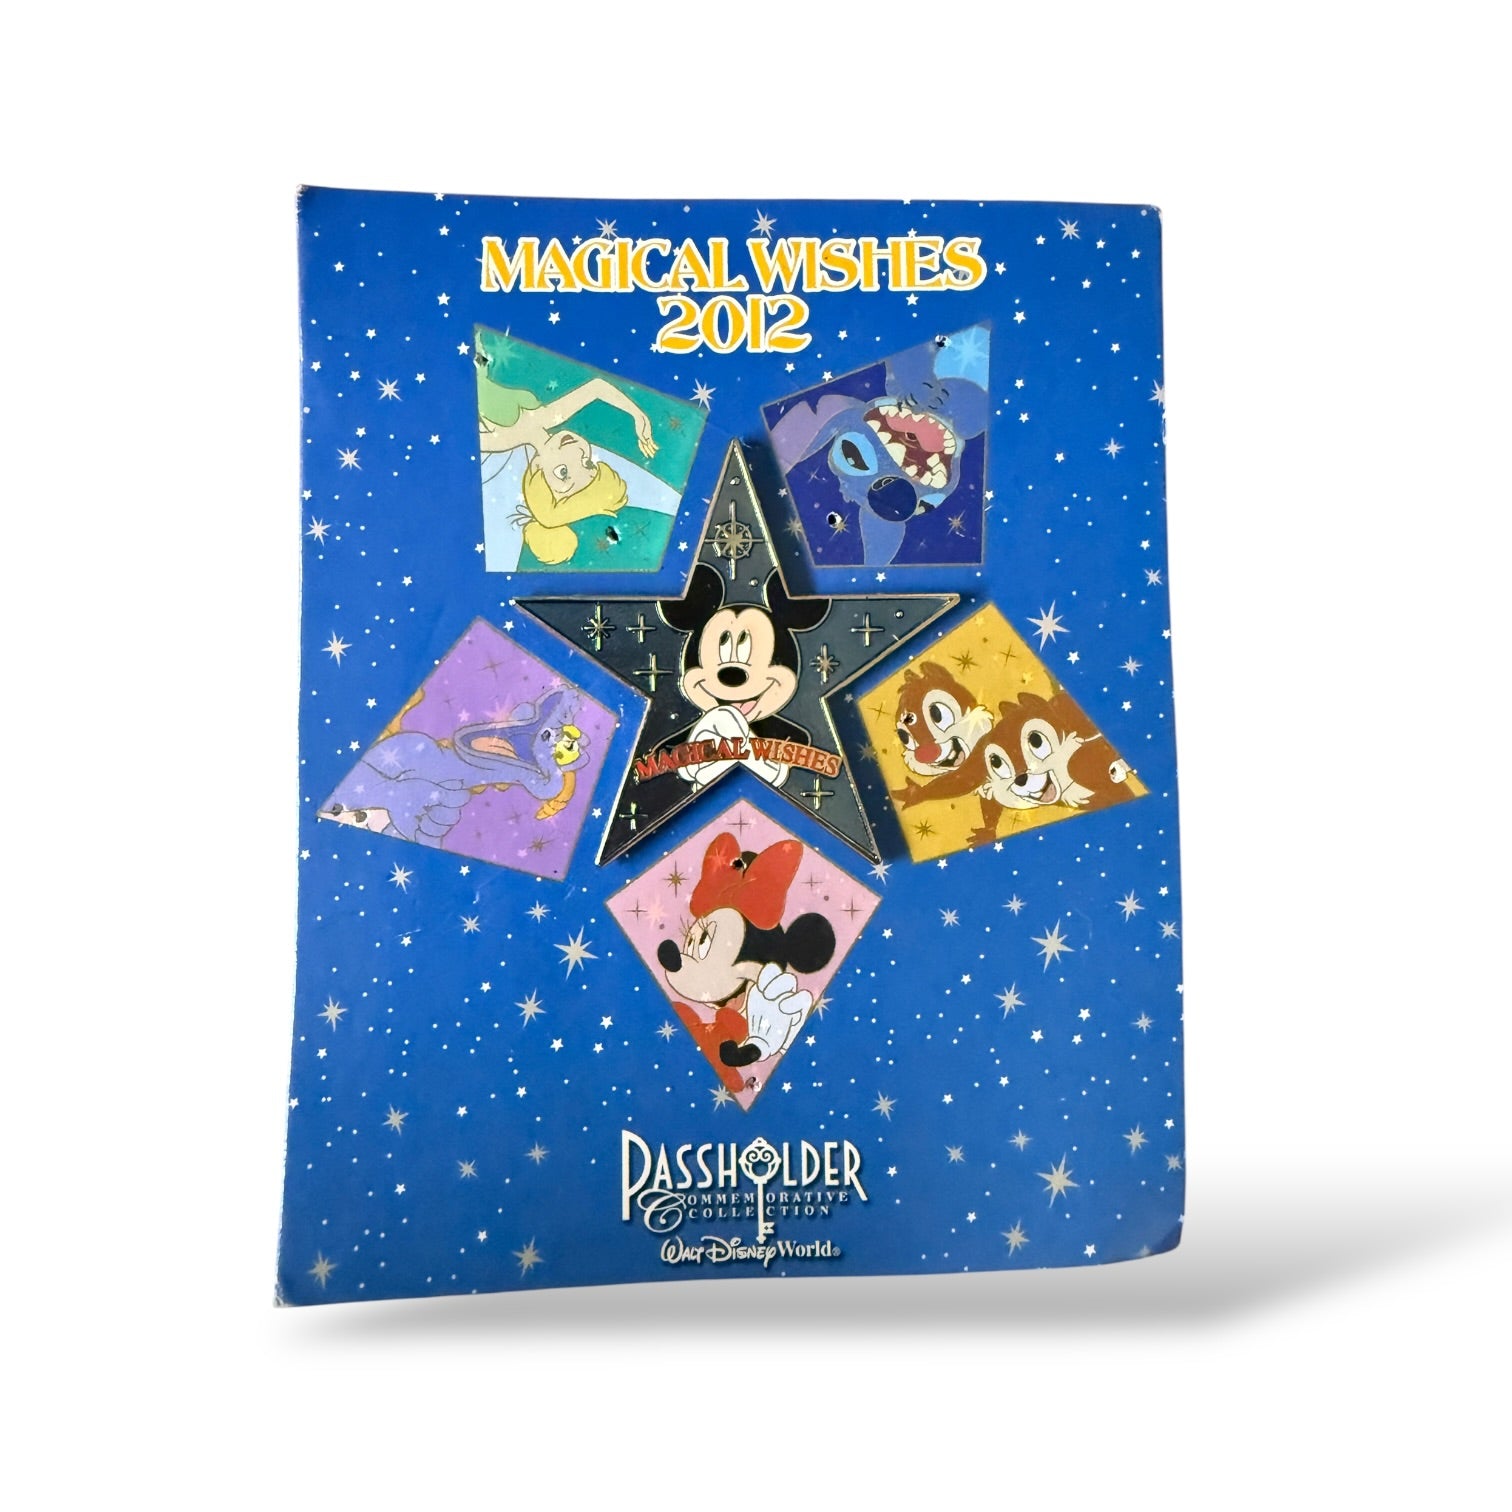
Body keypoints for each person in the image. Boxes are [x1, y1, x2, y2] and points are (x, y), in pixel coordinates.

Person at [476, 346, 658, 565]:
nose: (574, 453)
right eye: (587, 463)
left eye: (564, 473)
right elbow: (596, 388)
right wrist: (637, 414)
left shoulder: (502, 440)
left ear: (537, 470)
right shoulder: (549, 417)